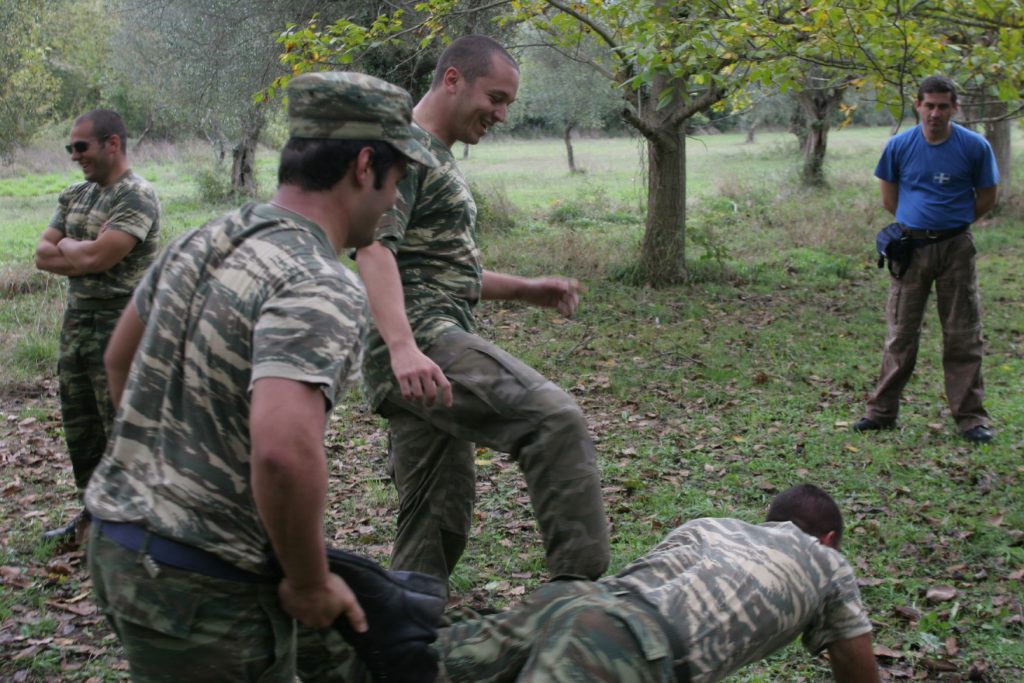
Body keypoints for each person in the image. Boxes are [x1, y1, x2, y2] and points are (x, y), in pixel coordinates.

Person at [84, 71, 439, 683]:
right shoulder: (319, 282)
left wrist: (162, 474)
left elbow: (120, 359)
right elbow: (282, 451)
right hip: (200, 587)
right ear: (364, 166)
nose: (392, 201)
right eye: (398, 179)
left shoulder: (206, 238)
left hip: (117, 546)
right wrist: (309, 582)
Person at [354, 34, 609, 589]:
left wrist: (525, 289)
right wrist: (403, 347)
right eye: (495, 97)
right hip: (422, 342)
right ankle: (580, 601)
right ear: (453, 80)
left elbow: (441, 268)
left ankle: (405, 642)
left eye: (509, 103)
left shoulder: (433, 153)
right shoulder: (401, 144)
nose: (501, 114)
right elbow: (374, 248)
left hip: (423, 350)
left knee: (437, 519)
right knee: (553, 420)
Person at [300, 484, 881, 683]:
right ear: (827, 538)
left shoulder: (713, 526)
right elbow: (857, 670)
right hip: (625, 643)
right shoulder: (826, 562)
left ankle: (338, 614)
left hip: (578, 601)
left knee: (410, 668)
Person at [34, 108, 160, 545]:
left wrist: (70, 246)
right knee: (81, 427)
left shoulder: (136, 196)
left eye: (81, 147)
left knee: (123, 429)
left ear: (112, 144)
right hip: (77, 327)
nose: (74, 156)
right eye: (70, 148)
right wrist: (78, 247)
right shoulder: (75, 194)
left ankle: (137, 531)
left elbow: (96, 259)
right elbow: (41, 254)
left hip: (122, 329)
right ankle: (95, 519)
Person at [853, 75, 999, 444]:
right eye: (929, 105)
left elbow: (986, 196)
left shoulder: (975, 147)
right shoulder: (898, 146)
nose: (935, 113)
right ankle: (881, 413)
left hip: (956, 249)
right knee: (900, 334)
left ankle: (971, 419)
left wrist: (951, 225)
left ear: (955, 108)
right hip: (911, 249)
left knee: (963, 335)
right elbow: (890, 199)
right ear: (917, 105)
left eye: (943, 106)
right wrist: (918, 226)